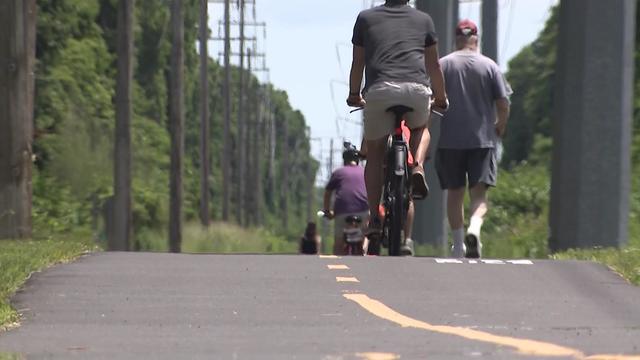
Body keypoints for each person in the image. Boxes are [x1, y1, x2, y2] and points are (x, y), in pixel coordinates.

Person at [346, 0, 448, 255]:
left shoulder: (365, 18)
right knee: (421, 127)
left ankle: (373, 218)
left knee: (376, 151)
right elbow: (434, 65)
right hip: (415, 91)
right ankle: (419, 166)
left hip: (379, 91)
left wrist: (353, 94)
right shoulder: (424, 20)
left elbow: (358, 62)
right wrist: (441, 97)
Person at [436, 19, 511, 258]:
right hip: (482, 141)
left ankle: (458, 245)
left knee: (454, 193)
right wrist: (500, 126)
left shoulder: (443, 65)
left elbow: (431, 104)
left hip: (450, 141)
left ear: (456, 39)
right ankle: (475, 229)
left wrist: (423, 137)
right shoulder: (490, 66)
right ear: (475, 39)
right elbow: (503, 103)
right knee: (479, 195)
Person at [323, 143, 369, 255]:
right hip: (363, 210)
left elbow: (328, 193)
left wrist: (327, 211)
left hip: (342, 211)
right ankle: (364, 247)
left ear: (345, 160)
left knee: (338, 242)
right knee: (366, 233)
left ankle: (338, 259)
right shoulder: (365, 172)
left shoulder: (338, 173)